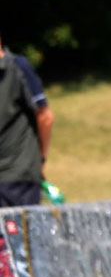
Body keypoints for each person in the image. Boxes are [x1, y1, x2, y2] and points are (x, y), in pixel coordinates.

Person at [0, 31, 55, 209]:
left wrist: (40, 159)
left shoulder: (18, 68)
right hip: (14, 176)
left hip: (18, 178)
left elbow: (45, 117)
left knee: (21, 226)